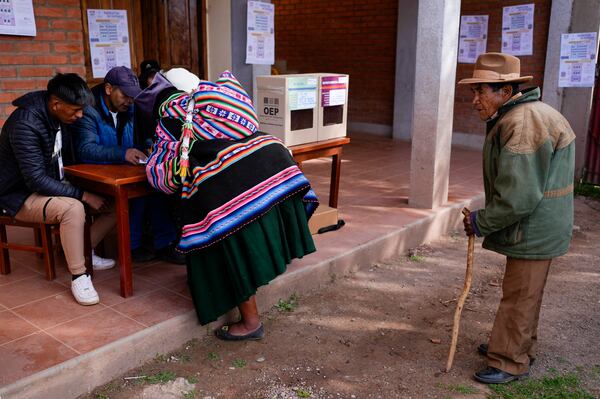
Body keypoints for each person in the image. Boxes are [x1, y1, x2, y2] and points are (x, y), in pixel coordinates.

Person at [136, 69, 318, 340]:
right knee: (254, 234)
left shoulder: (172, 116)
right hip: (275, 165)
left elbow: (164, 179)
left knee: (231, 247)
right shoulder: (225, 105)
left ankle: (250, 323)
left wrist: (153, 161)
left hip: (229, 190)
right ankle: (268, 268)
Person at [459, 53, 576, 384]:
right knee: (527, 293)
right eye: (474, 92)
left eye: (480, 91)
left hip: (534, 225)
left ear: (505, 91)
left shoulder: (523, 123)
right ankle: (518, 346)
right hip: (540, 223)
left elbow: (519, 196)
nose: (475, 101)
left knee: (519, 295)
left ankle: (509, 360)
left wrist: (482, 221)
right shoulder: (523, 115)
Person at [0, 73, 117, 306]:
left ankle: (80, 249)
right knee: (72, 209)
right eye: (75, 110)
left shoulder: (59, 118)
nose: (80, 115)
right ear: (56, 104)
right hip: (16, 194)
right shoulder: (25, 124)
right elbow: (35, 180)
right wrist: (83, 194)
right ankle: (79, 275)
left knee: (114, 203)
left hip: (48, 185)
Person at [70, 66, 184, 264]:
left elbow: (142, 137)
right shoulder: (88, 110)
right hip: (93, 175)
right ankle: (131, 247)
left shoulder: (130, 107)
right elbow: (85, 150)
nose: (129, 100)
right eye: (125, 95)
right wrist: (124, 152)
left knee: (158, 186)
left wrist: (151, 147)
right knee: (135, 194)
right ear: (108, 89)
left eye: (132, 96)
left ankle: (164, 244)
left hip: (124, 169)